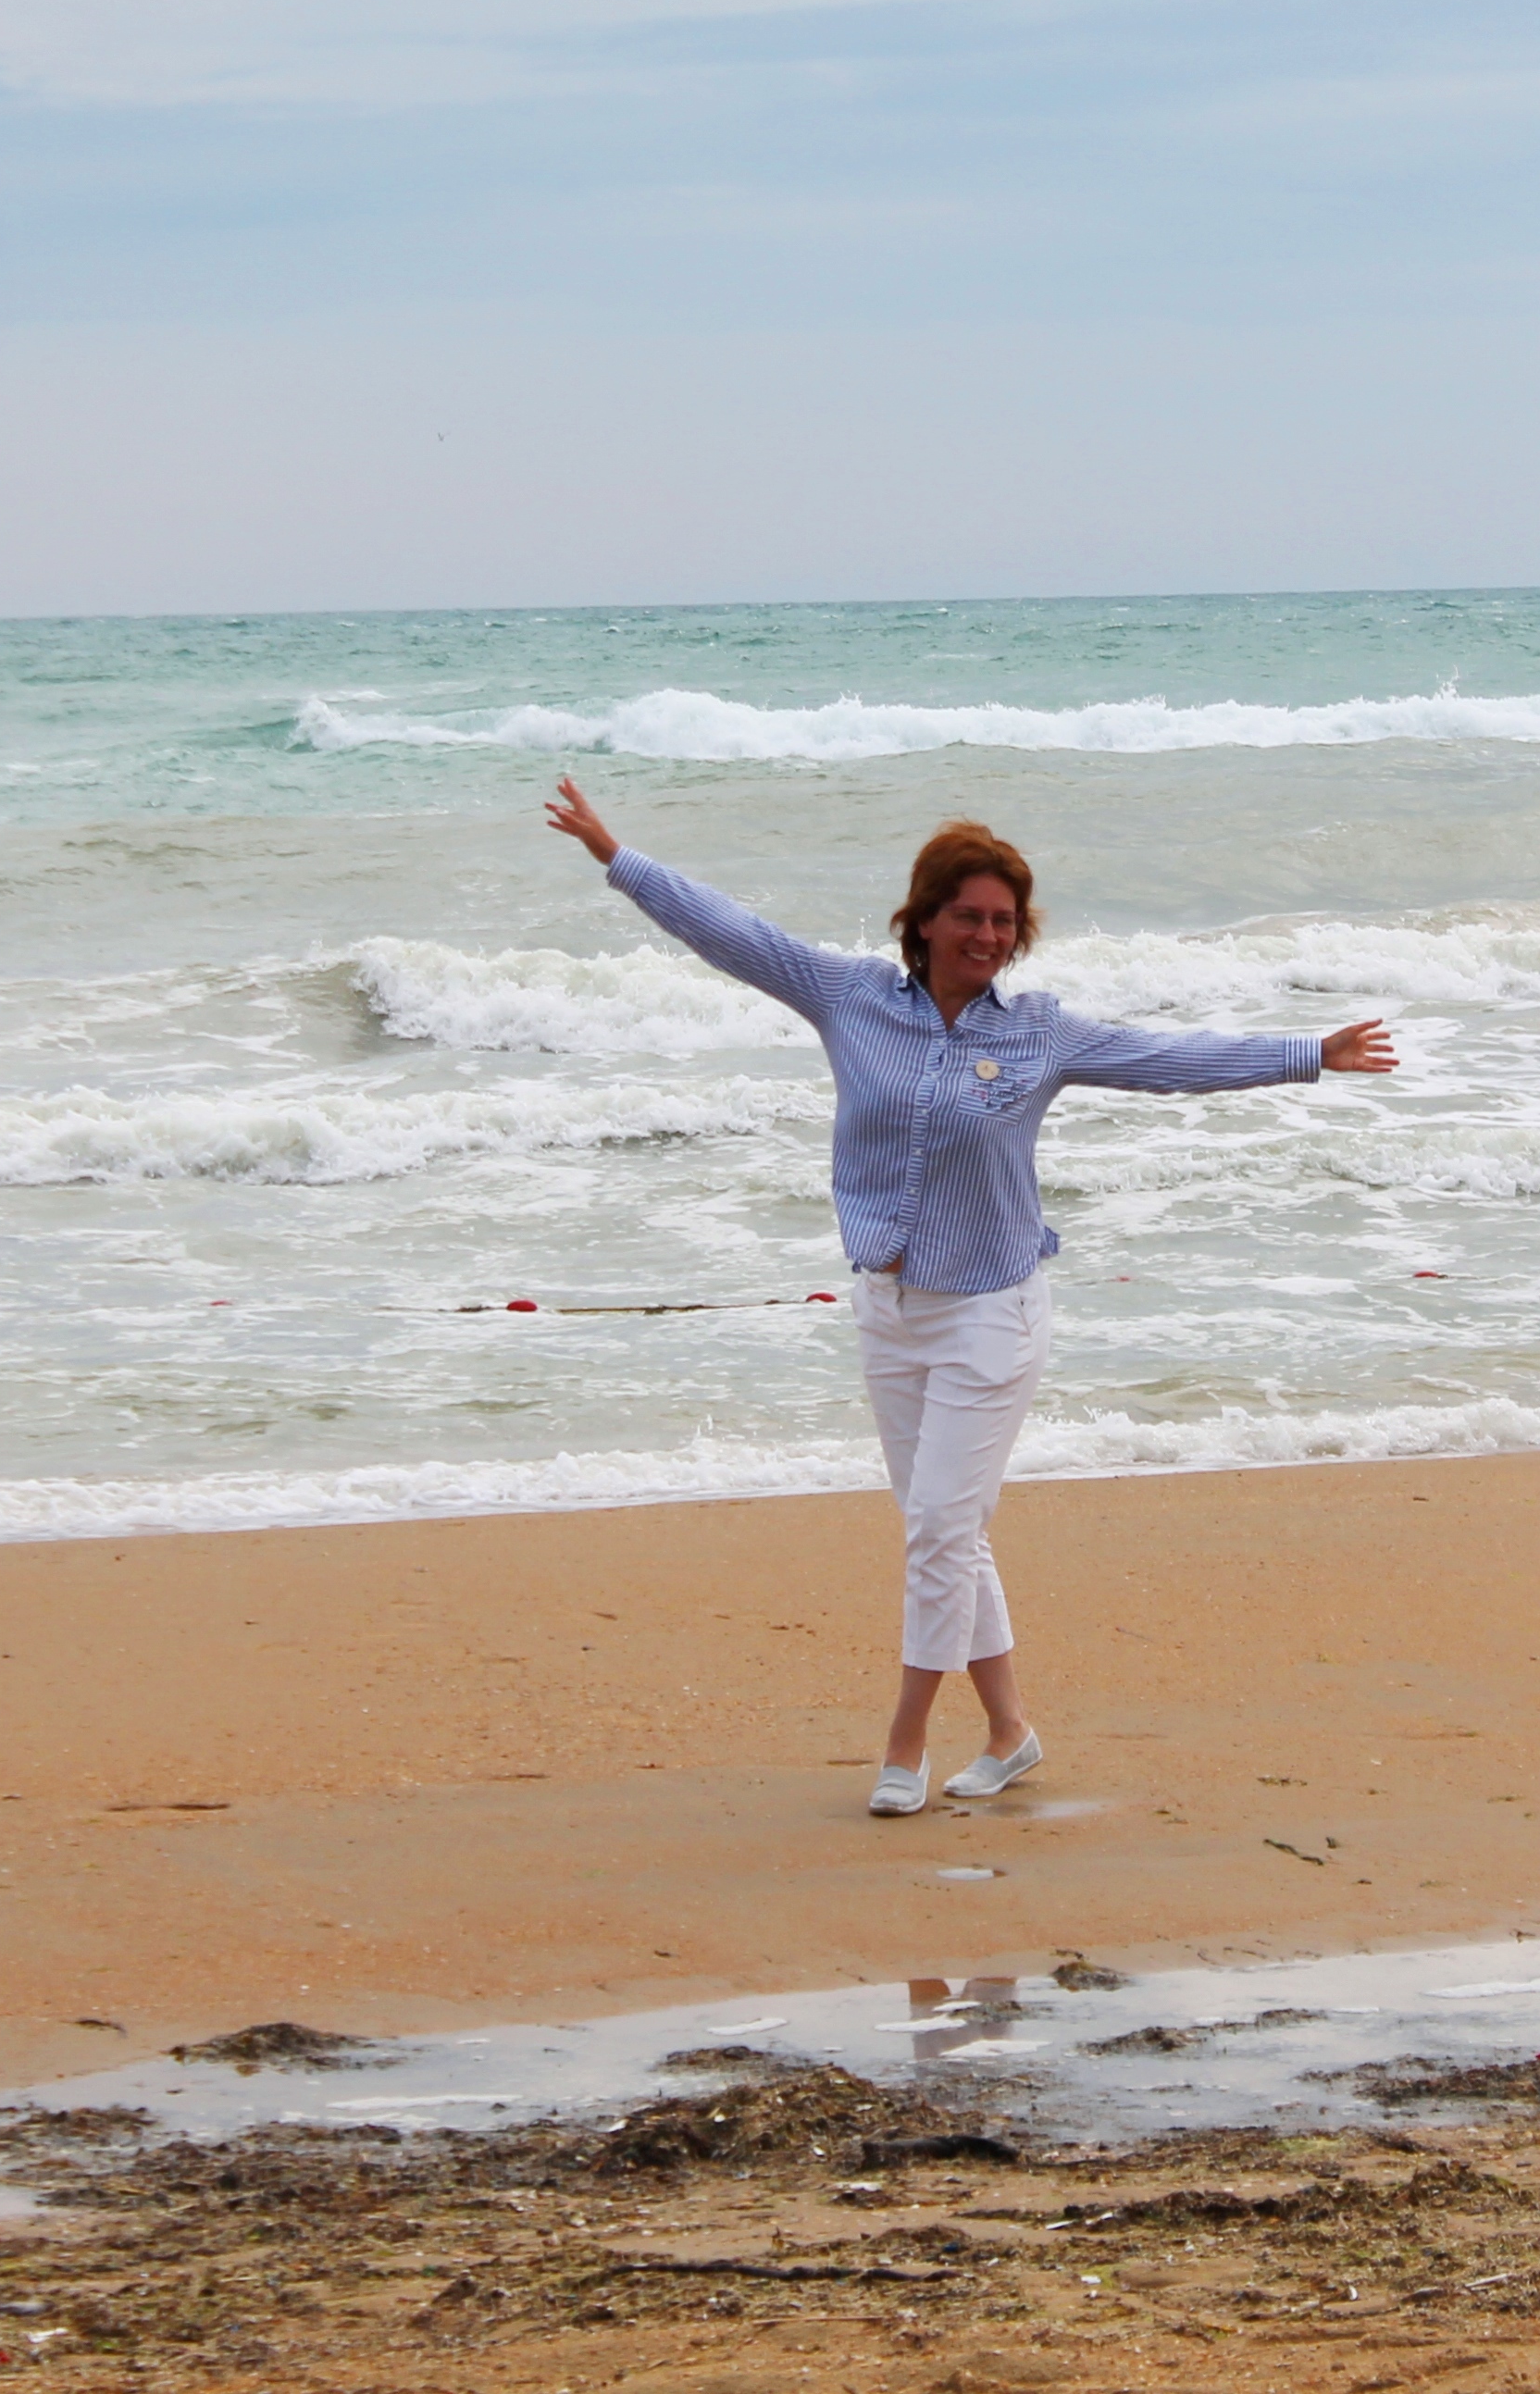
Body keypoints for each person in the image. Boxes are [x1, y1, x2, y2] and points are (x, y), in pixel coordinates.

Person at [543, 777, 1397, 1817]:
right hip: (890, 1309)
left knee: (939, 1527)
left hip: (995, 1309)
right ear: (926, 920)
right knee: (946, 1531)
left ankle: (904, 1745)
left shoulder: (1039, 1033)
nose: (988, 936)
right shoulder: (847, 995)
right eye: (969, 916)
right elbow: (729, 932)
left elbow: (1172, 1061)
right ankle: (1010, 1730)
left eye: (1004, 921)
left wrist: (1311, 1052)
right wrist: (615, 855)